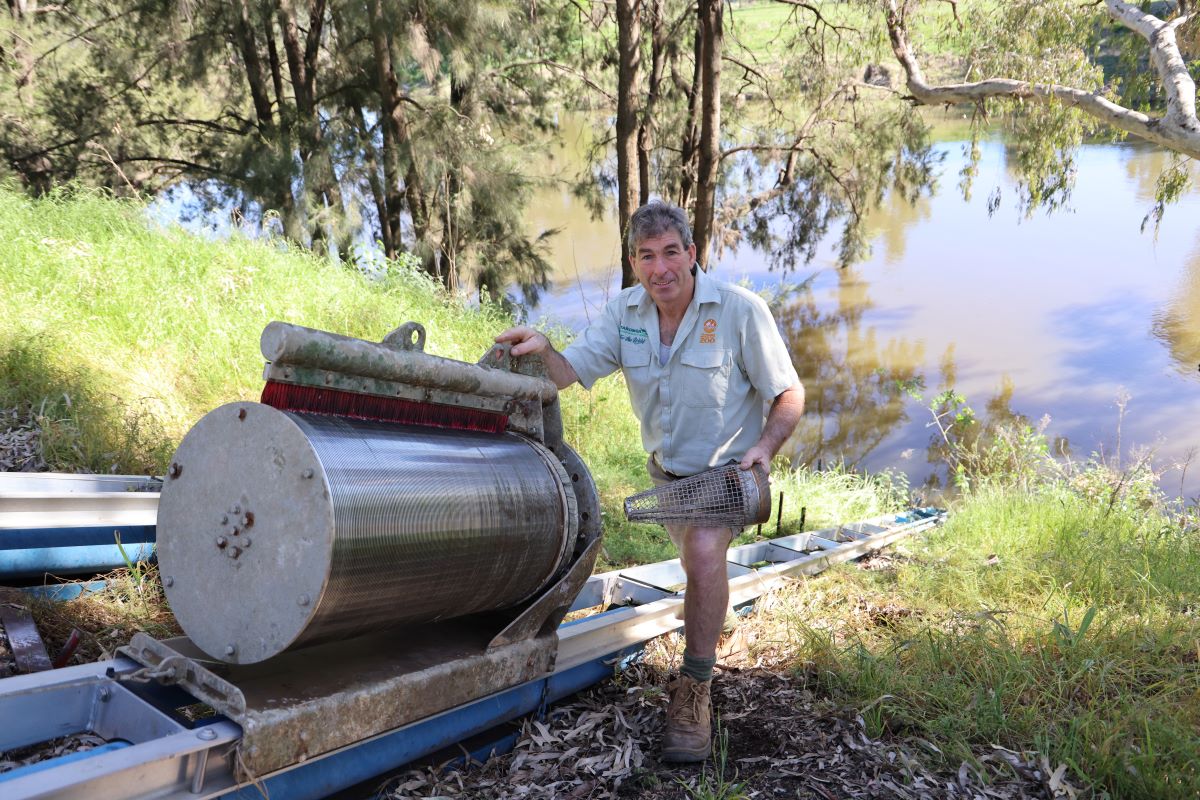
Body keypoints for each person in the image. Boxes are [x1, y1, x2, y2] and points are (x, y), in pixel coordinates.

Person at [496, 201, 804, 762]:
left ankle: (695, 690)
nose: (660, 268)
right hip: (666, 480)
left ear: (691, 253)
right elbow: (569, 372)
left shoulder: (739, 311)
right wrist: (542, 351)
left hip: (728, 477)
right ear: (634, 262)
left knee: (707, 556)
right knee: (695, 567)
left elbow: (789, 394)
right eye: (646, 256)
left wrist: (762, 451)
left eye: (670, 253)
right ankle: (707, 624)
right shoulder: (625, 314)